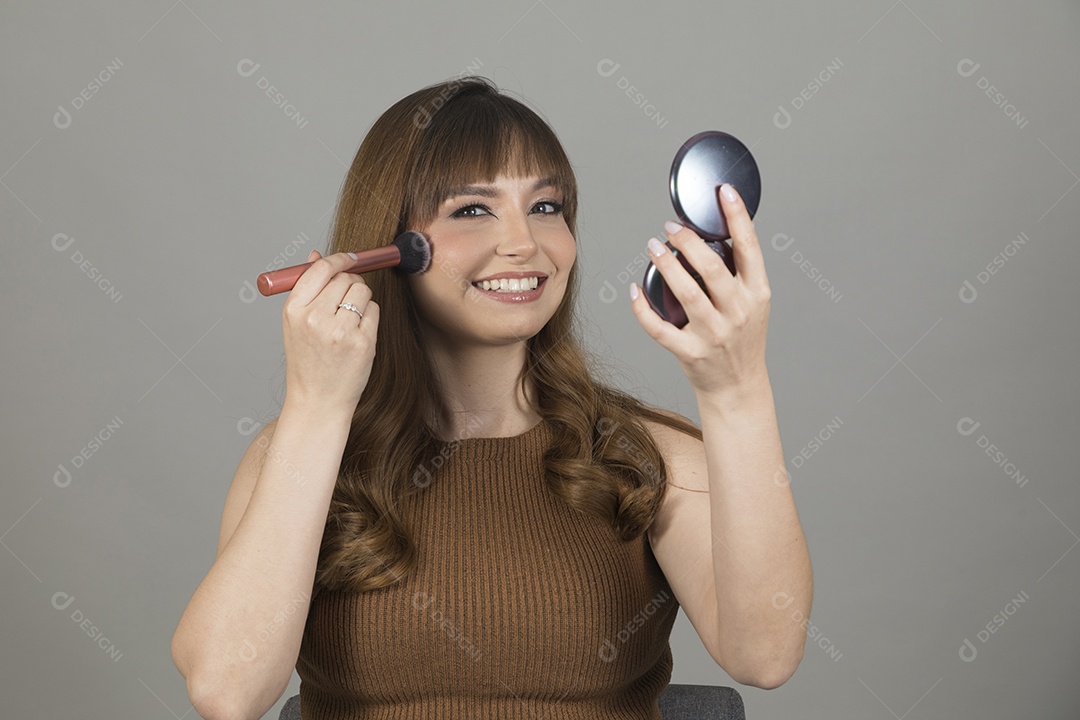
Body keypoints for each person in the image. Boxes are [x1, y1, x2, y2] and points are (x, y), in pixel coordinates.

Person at [171, 75, 812, 720]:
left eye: (546, 207)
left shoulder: (645, 457)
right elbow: (227, 691)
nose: (524, 244)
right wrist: (317, 409)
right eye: (472, 210)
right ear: (386, 249)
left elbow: (765, 654)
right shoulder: (302, 454)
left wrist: (737, 390)